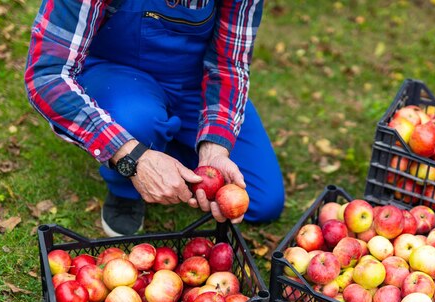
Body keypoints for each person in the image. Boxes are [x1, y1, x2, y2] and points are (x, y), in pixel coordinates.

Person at [24, 0, 285, 237]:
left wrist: (215, 150)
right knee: (138, 121)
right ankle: (125, 187)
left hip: (194, 82)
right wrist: (130, 155)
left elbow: (228, 66)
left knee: (264, 201)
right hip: (119, 76)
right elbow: (47, 77)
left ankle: (162, 143)